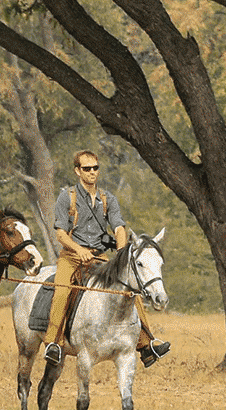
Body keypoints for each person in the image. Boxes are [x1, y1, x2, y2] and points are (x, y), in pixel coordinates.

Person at [41, 151, 170, 367]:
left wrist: (121, 253)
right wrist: (78, 249)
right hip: (71, 256)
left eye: (95, 168)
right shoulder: (67, 197)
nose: (92, 172)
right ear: (77, 171)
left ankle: (147, 344)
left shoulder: (108, 198)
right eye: (87, 168)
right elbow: (60, 234)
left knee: (131, 288)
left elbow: (119, 227)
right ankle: (53, 342)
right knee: (62, 289)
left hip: (99, 257)